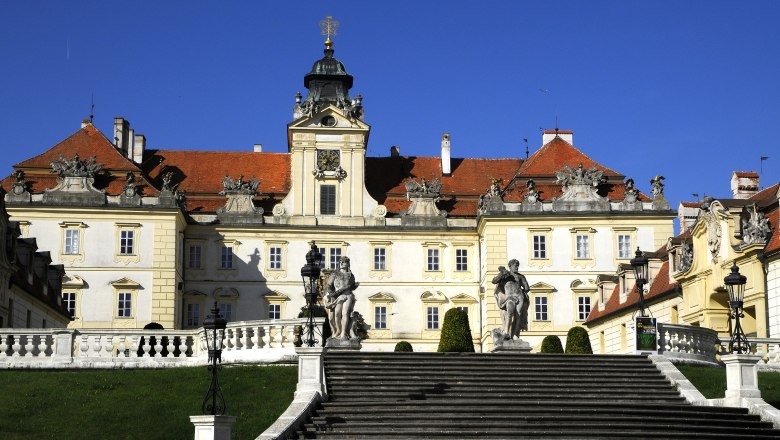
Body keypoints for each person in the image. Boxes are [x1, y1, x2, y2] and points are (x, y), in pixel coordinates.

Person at [491, 259, 530, 339]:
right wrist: (501, 273)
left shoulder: (521, 276)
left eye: (517, 266)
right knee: (510, 313)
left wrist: (524, 288)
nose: (517, 267)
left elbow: (527, 288)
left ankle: (515, 335)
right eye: (515, 266)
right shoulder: (505, 274)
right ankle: (506, 332)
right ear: (510, 266)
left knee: (518, 315)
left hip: (520, 296)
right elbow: (494, 281)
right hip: (509, 297)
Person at [325, 256, 358, 339]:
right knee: (337, 313)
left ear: (348, 264)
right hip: (338, 296)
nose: (342, 263)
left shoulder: (351, 275)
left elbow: (351, 286)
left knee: (345, 313)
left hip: (348, 295)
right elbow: (329, 285)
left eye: (344, 262)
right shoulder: (334, 274)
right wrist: (332, 294)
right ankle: (338, 331)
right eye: (341, 262)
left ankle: (343, 333)